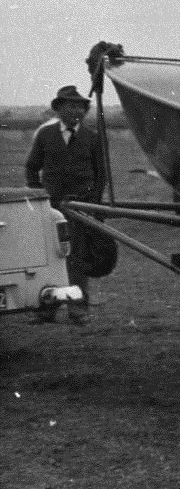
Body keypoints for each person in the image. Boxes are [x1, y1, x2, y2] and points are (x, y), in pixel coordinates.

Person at [25, 85, 106, 324]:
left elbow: (100, 176)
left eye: (81, 107)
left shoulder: (92, 138)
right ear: (59, 109)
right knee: (50, 258)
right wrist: (40, 196)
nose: (77, 111)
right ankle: (46, 310)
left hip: (81, 208)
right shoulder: (45, 135)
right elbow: (31, 167)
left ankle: (77, 309)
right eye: (72, 106)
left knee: (76, 257)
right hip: (51, 209)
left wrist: (93, 205)